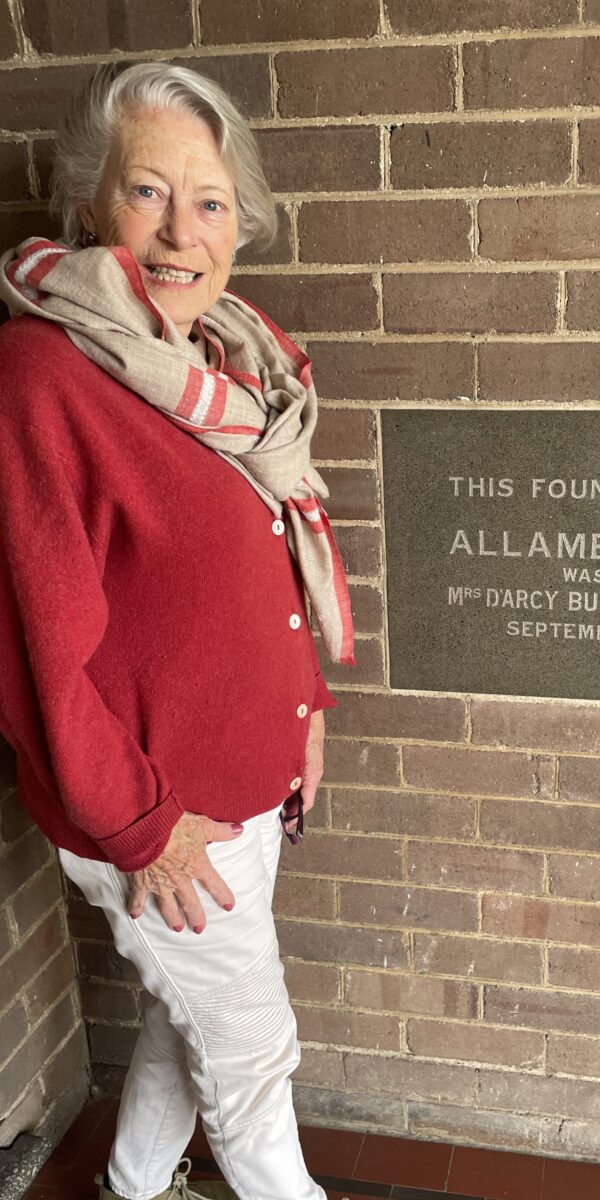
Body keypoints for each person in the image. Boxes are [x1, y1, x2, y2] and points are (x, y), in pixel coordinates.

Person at [0, 61, 355, 1200]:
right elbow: (31, 654)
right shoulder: (42, 374)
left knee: (183, 1012)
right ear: (93, 206)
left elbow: (264, 576)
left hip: (246, 794)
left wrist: (304, 717)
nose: (178, 232)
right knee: (252, 1059)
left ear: (238, 226)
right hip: (161, 816)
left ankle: (133, 1186)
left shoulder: (228, 364)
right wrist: (144, 826)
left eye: (208, 203)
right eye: (147, 192)